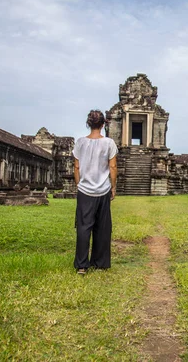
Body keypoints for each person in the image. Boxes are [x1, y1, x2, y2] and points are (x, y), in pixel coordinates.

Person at [73, 109, 118, 274]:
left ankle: (82, 265)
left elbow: (76, 167)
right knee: (102, 227)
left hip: (84, 190)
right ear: (103, 124)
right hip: (103, 189)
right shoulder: (109, 143)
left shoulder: (80, 143)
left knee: (84, 227)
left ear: (88, 123)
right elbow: (112, 167)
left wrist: (79, 185)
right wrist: (113, 187)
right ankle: (100, 262)